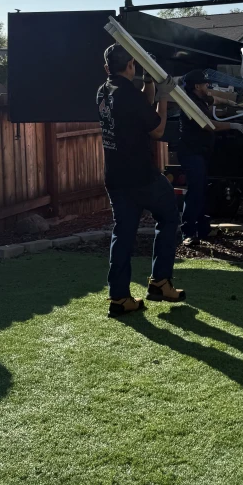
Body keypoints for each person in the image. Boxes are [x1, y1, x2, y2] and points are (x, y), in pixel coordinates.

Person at [97, 43, 184, 318]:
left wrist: (149, 83)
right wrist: (164, 97)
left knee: (123, 234)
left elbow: (140, 109)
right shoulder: (129, 95)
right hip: (142, 176)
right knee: (169, 217)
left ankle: (119, 298)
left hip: (115, 177)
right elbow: (157, 130)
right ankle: (160, 283)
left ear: (107, 67)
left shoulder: (103, 91)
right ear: (130, 66)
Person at [178, 69, 243, 245]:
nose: (208, 85)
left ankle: (202, 229)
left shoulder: (200, 98)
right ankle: (188, 233)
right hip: (191, 153)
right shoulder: (190, 104)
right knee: (195, 193)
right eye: (205, 83)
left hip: (200, 153)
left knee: (201, 191)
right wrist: (232, 125)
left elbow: (213, 99)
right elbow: (208, 125)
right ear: (197, 86)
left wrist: (230, 102)